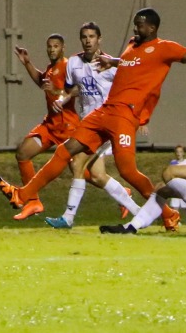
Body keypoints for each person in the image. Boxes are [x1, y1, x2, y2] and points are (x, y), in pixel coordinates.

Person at [0, 7, 186, 231]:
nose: (135, 27)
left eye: (140, 24)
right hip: (104, 111)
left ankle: (167, 213)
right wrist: (113, 62)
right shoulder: (132, 44)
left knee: (127, 172)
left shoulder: (164, 48)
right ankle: (23, 194)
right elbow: (129, 64)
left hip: (124, 115)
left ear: (152, 28)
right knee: (65, 151)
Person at [44, 22, 140, 229]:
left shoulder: (111, 67)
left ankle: (68, 217)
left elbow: (130, 91)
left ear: (99, 40)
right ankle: (140, 213)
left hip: (106, 125)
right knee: (97, 175)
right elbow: (74, 89)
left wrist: (137, 117)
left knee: (77, 163)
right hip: (88, 123)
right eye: (84, 37)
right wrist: (60, 97)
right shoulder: (74, 64)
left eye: (92, 37)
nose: (88, 40)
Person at [11, 34, 82, 220]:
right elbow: (42, 81)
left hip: (68, 127)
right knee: (23, 153)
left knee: (85, 172)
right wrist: (27, 63)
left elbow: (77, 89)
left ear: (63, 48)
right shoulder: (51, 69)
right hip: (50, 125)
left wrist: (55, 91)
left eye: (56, 46)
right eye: (49, 46)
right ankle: (33, 202)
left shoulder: (68, 66)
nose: (52, 49)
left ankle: (122, 192)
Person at [168, 145, 186, 226]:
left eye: (180, 152)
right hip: (176, 187)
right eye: (177, 152)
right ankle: (177, 222)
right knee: (175, 207)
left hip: (184, 187)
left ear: (183, 153)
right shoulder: (173, 163)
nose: (178, 154)